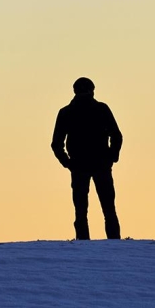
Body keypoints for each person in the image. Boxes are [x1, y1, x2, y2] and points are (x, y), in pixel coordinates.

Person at [51, 77, 123, 240]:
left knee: (81, 209)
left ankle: (84, 243)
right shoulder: (100, 109)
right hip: (96, 165)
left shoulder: (67, 112)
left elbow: (56, 144)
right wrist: (112, 157)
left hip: (83, 165)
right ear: (92, 90)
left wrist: (68, 163)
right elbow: (117, 136)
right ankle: (114, 243)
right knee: (108, 208)